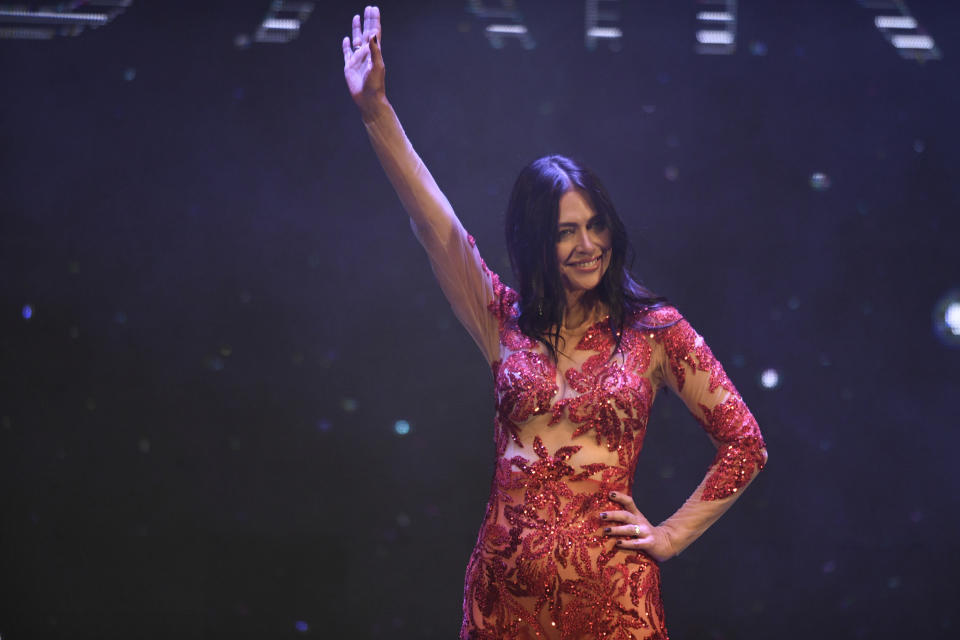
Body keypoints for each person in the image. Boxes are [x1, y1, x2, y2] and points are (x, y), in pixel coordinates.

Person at [342, 7, 767, 639]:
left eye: (595, 226)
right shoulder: (501, 320)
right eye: (566, 232)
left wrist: (671, 533)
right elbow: (437, 228)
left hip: (613, 601)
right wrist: (376, 110)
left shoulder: (655, 331)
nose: (588, 244)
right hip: (504, 598)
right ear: (536, 241)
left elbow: (745, 444)